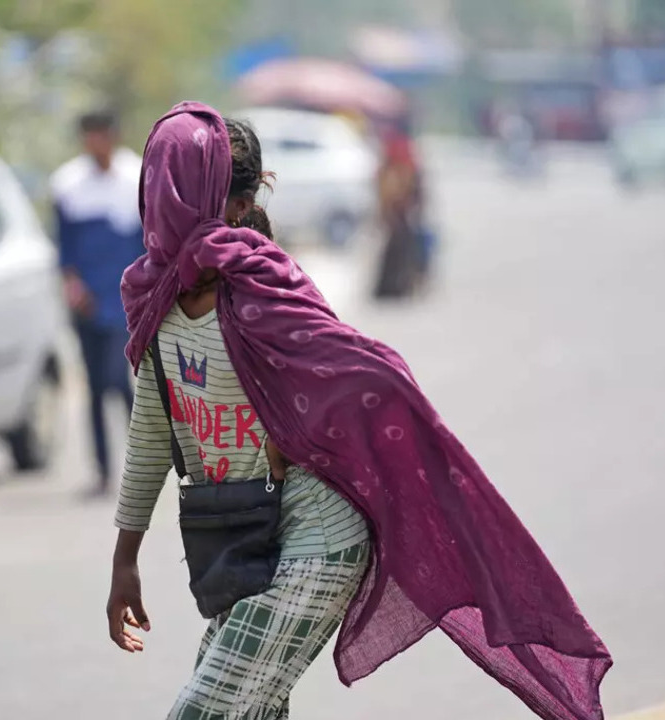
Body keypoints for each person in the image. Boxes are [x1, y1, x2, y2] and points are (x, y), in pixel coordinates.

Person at [107, 102, 612, 720]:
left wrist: (315, 435)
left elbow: (366, 373)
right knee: (254, 712)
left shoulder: (262, 287)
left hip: (318, 540)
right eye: (159, 180)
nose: (163, 198)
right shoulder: (152, 298)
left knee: (204, 711)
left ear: (237, 206)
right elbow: (153, 432)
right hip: (245, 543)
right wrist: (125, 559)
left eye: (177, 183)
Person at [51, 110, 143, 496]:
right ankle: (103, 470)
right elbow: (64, 246)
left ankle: (140, 466)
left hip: (123, 298)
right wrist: (73, 287)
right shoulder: (68, 185)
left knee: (117, 380)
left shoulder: (136, 176)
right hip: (87, 300)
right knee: (93, 386)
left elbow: (146, 241)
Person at [372, 128, 425, 300]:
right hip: (395, 210)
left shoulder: (402, 160)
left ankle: (399, 287)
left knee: (400, 249)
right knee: (396, 250)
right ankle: (393, 288)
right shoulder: (394, 161)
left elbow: (414, 188)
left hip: (401, 210)